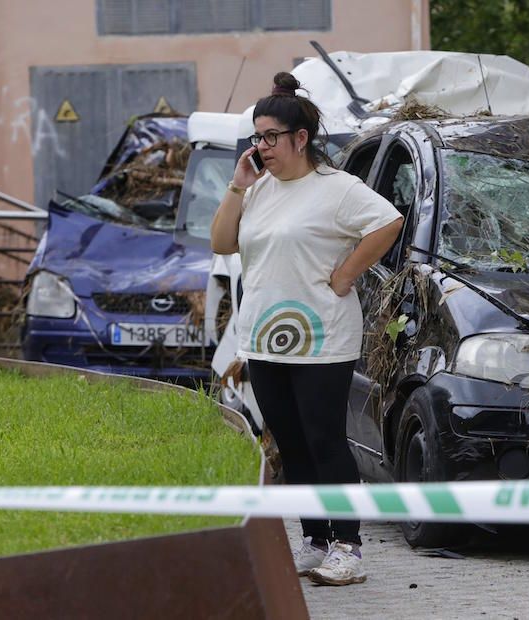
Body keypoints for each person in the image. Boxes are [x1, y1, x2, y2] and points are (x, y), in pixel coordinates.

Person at [211, 72, 403, 586]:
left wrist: (345, 274)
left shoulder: (337, 190)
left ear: (301, 139)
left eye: (270, 136)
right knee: (292, 442)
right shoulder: (258, 190)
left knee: (324, 441)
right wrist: (237, 185)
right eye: (256, 137)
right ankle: (314, 541)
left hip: (322, 338)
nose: (261, 146)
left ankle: (349, 547)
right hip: (264, 336)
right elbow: (221, 242)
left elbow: (387, 222)